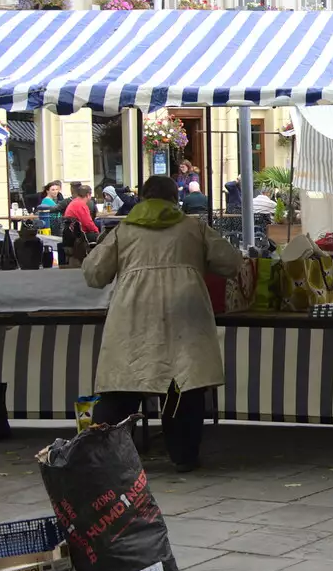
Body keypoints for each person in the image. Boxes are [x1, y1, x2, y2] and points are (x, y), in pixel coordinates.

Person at [83, 175, 241, 471]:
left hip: (132, 312)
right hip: (185, 309)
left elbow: (93, 274)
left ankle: (102, 458)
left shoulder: (123, 230)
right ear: (174, 199)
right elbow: (232, 263)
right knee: (184, 386)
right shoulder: (194, 228)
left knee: (122, 385)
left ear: (142, 198)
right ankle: (184, 456)